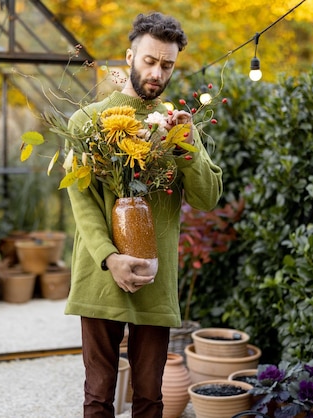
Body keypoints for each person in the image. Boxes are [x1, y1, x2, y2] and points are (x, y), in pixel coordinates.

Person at [64, 12, 223, 418]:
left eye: (167, 65)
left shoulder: (175, 127)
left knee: (151, 397)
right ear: (130, 55)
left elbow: (207, 199)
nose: (157, 73)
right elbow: (81, 203)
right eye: (149, 61)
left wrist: (187, 145)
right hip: (100, 274)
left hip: (155, 276)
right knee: (98, 396)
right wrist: (110, 257)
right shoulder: (87, 121)